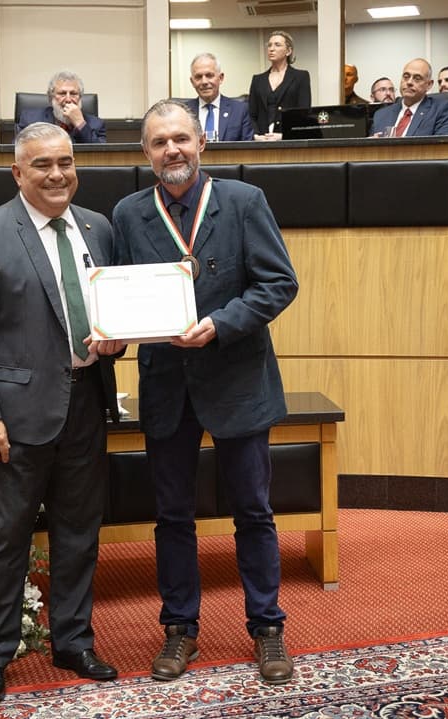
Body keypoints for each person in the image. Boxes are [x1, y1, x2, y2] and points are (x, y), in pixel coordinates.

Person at [110, 100, 299, 684]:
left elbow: (279, 283)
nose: (173, 150)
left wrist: (221, 323)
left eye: (182, 139)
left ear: (202, 143)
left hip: (238, 380)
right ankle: (179, 631)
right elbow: (117, 294)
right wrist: (112, 332)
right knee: (171, 516)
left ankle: (267, 628)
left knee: (253, 510)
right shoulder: (128, 213)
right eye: (160, 141)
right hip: (167, 385)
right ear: (146, 153)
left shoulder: (244, 202)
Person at [0, 121, 121, 704]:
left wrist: (116, 339)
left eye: (65, 163)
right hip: (15, 417)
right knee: (6, 538)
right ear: (17, 172)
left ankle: (73, 641)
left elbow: (108, 311)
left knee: (79, 533)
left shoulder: (98, 227)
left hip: (86, 404)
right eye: (42, 165)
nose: (57, 175)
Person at [248, 31, 311, 141]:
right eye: (269, 45)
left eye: (277, 45)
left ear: (288, 51)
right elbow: (251, 114)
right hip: (261, 141)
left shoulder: (301, 77)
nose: (271, 49)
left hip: (288, 141)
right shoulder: (258, 80)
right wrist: (256, 136)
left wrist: (284, 136)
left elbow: (303, 114)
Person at [371, 58, 448, 137]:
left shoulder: (440, 110)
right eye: (406, 77)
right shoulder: (381, 114)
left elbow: (443, 147)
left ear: (429, 85)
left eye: (417, 78)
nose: (409, 82)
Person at [15, 71, 106, 143]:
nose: (68, 99)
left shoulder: (96, 124)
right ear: (51, 98)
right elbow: (18, 151)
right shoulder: (30, 120)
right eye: (62, 94)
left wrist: (80, 123)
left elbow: (101, 156)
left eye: (73, 94)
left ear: (80, 98)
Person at [185, 52, 254, 142]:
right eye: (198, 77)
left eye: (209, 75)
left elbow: (248, 149)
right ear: (192, 82)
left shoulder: (240, 111)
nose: (204, 81)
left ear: (220, 78)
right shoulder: (183, 112)